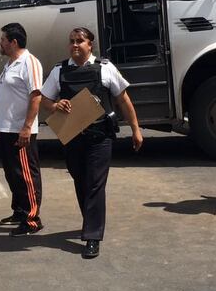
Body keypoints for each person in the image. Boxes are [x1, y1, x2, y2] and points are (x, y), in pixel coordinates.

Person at [41, 26, 143, 259]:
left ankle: (92, 236)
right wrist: (56, 105)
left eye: (80, 41)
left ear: (90, 45)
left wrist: (136, 129)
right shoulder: (59, 70)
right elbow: (44, 99)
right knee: (81, 181)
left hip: (100, 137)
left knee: (96, 184)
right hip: (73, 136)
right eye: (71, 41)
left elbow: (123, 99)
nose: (75, 45)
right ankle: (90, 221)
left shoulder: (105, 68)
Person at [0, 23, 44, 236]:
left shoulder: (29, 62)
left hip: (19, 130)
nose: (0, 43)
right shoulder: (10, 63)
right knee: (12, 174)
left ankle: (32, 219)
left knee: (26, 176)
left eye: (3, 39)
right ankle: (20, 211)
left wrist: (26, 127)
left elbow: (36, 96)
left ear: (13, 42)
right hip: (5, 128)